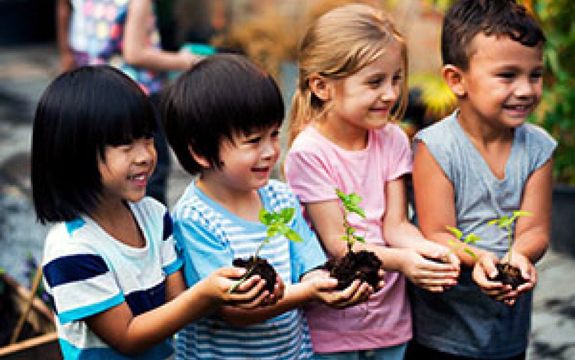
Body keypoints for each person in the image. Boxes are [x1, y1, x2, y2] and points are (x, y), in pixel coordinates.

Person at [31, 66, 270, 360]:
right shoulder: (73, 251)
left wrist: (233, 291)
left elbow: (176, 303)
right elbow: (128, 337)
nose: (145, 155)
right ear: (74, 154)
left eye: (147, 138)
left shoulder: (153, 216)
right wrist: (205, 294)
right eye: (125, 144)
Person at [161, 53, 377, 360]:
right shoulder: (194, 218)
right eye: (252, 141)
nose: (270, 152)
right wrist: (310, 293)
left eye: (274, 135)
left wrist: (329, 285)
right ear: (201, 152)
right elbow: (235, 309)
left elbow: (309, 268)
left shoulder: (280, 198)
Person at [283, 4, 460, 359]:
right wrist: (404, 262)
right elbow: (338, 245)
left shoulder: (392, 139)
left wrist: (427, 251)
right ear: (322, 86)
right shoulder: (309, 153)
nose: (392, 94)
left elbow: (394, 224)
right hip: (334, 323)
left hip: (390, 321)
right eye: (374, 82)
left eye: (396, 79)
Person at [405, 0, 556, 359]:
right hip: (441, 331)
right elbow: (437, 232)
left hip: (507, 330)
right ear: (456, 80)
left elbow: (534, 230)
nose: (525, 89)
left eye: (534, 75)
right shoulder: (437, 147)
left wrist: (519, 257)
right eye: (507, 75)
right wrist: (481, 258)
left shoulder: (538, 148)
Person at [56, 0, 201, 205]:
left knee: (110, 166)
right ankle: (151, 231)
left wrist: (66, 55)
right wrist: (189, 61)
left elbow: (65, 15)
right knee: (152, 172)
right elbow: (135, 54)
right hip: (137, 94)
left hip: (99, 93)